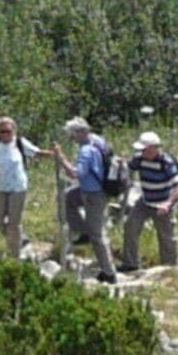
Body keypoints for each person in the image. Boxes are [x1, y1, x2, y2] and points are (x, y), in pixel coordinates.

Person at [61, 119, 119, 282]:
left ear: (79, 133)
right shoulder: (98, 140)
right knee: (68, 198)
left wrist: (61, 158)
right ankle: (82, 231)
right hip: (96, 188)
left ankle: (109, 272)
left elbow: (75, 174)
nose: (71, 140)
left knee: (97, 234)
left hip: (93, 194)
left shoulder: (86, 150)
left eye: (72, 136)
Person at [124, 130, 178, 272]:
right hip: (145, 201)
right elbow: (128, 169)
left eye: (145, 149)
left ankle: (170, 267)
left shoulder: (166, 162)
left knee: (167, 237)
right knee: (130, 227)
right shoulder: (139, 159)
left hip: (163, 202)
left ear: (154, 148)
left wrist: (168, 203)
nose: (142, 152)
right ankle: (131, 263)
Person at [0, 117, 34, 256]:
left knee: (14, 222)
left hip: (18, 187)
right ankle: (20, 239)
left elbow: (37, 152)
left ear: (14, 130)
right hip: (1, 186)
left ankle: (14, 256)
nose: (4, 134)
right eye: (1, 131)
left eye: (8, 131)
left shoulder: (20, 143)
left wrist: (56, 155)